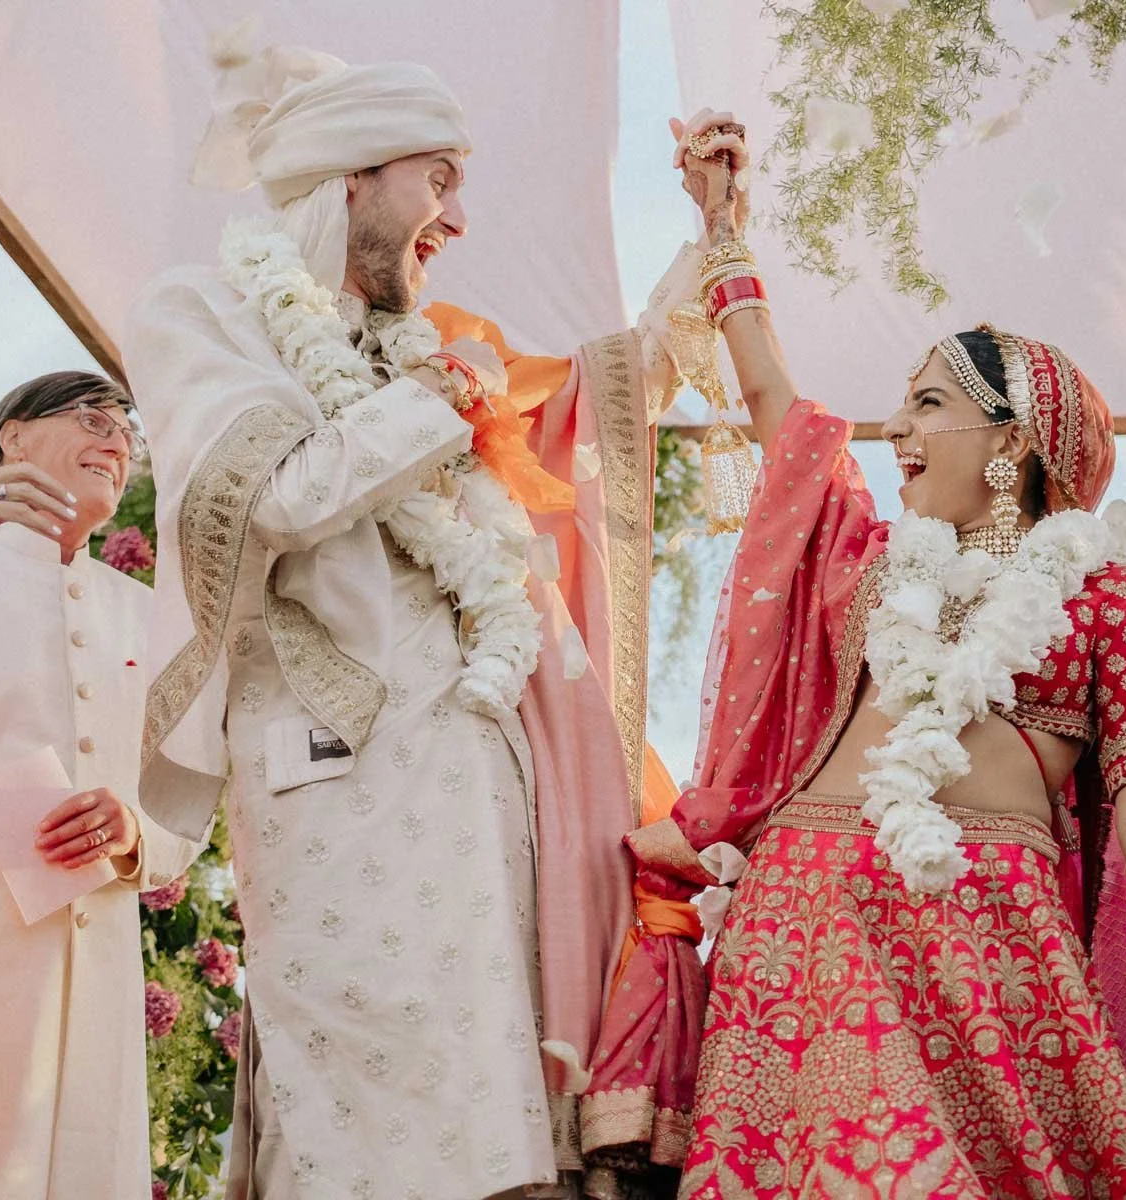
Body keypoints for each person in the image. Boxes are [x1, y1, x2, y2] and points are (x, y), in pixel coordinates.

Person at [578, 110, 1126, 1199]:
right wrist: (724, 232)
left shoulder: (1105, 592)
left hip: (983, 926)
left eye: (928, 403)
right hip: (802, 915)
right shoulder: (871, 561)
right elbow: (780, 409)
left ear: (1012, 442)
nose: (895, 427)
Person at [124, 46, 704, 1200]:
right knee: (363, 1116)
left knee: (501, 1129)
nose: (459, 219)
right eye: (438, 180)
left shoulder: (419, 352)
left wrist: (712, 257)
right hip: (333, 775)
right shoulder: (203, 311)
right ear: (351, 175)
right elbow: (266, 498)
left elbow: (570, 413)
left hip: (478, 768)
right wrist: (430, 407)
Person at [0, 372, 207, 1199]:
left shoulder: (146, 615)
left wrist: (134, 836)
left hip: (97, 947)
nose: (118, 442)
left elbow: (185, 782)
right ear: (14, 436)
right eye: (93, 418)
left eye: (128, 433)